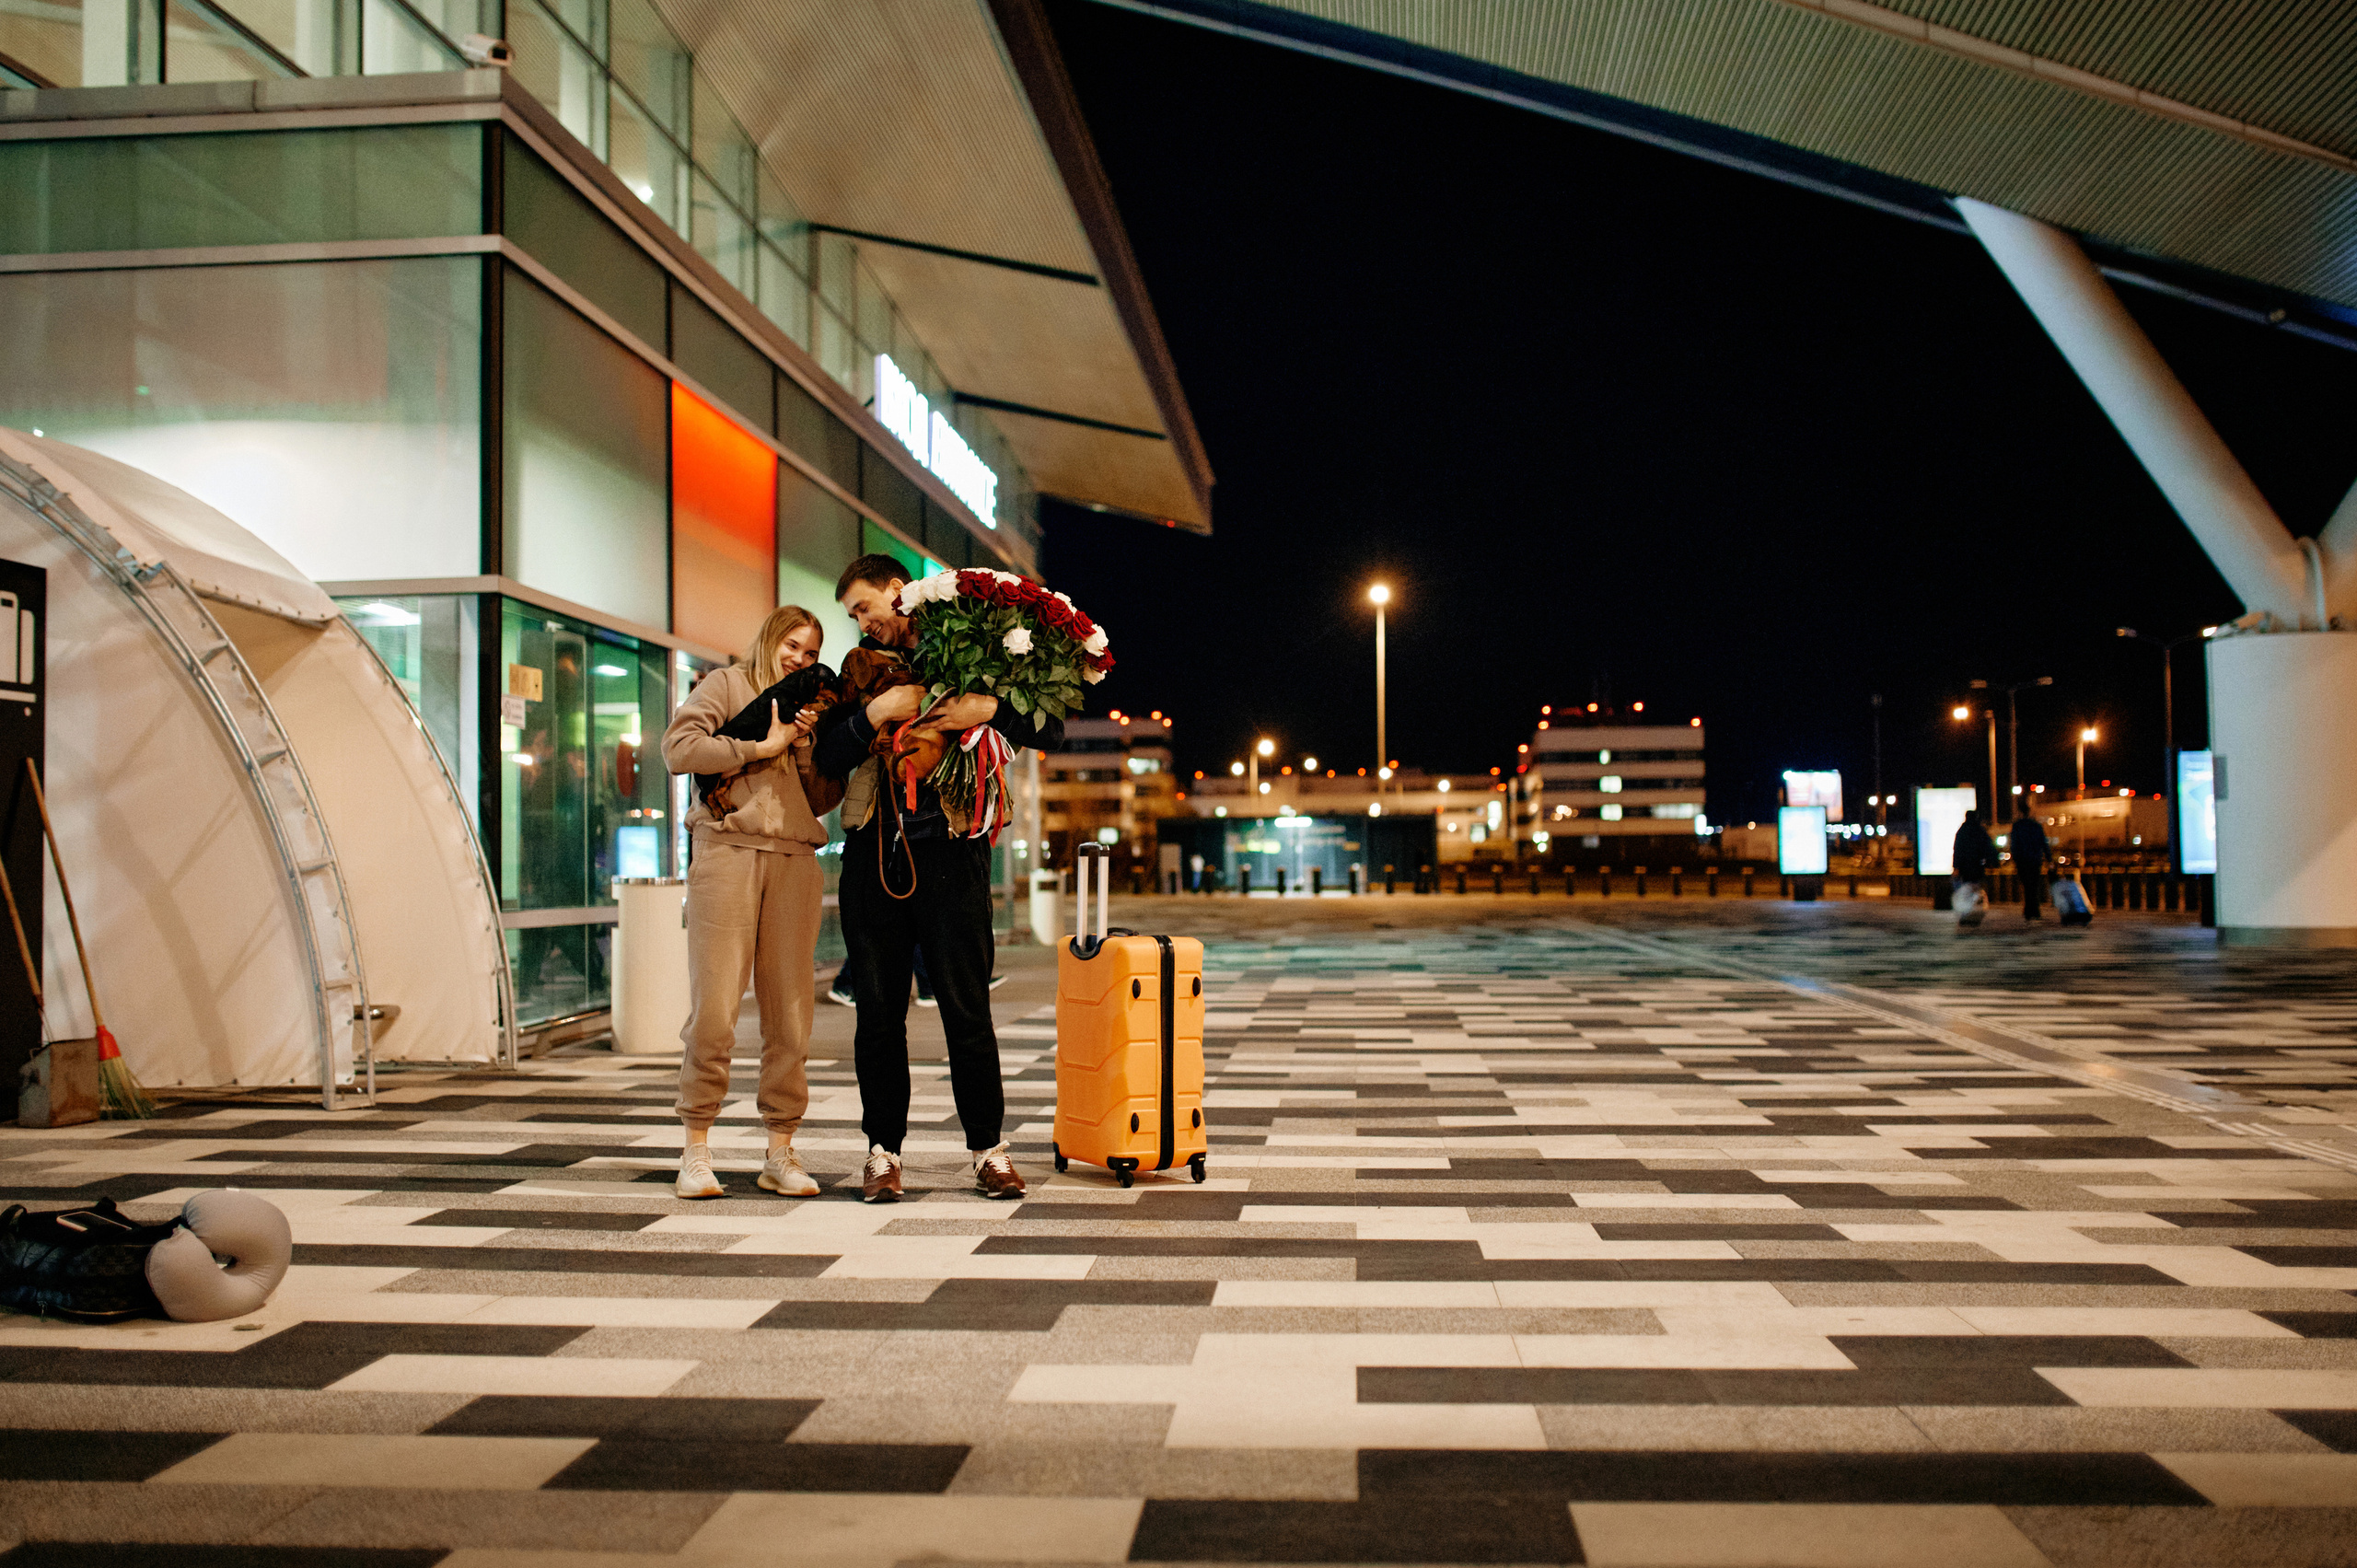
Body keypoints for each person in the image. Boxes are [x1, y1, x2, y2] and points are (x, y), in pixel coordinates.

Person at [815, 553, 1063, 1202]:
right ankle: (882, 1153)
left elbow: (1051, 727)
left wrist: (984, 708)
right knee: (877, 1013)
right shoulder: (860, 672)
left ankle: (989, 1149)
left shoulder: (974, 649)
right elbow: (826, 756)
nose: (862, 624)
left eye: (865, 608)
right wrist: (876, 712)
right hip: (874, 853)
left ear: (899, 592)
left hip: (954, 854)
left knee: (967, 1008)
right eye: (854, 617)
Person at [660, 606, 839, 1200]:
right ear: (769, 638)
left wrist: (810, 746)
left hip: (794, 860)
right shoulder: (727, 684)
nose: (801, 660)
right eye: (793, 646)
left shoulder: (810, 707)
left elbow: (816, 799)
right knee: (713, 1012)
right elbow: (680, 750)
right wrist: (761, 744)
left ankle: (781, 1150)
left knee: (790, 1018)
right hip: (727, 853)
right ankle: (696, 1149)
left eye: (811, 653)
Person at [2011, 804, 2050, 921]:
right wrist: (2048, 857)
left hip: (2022, 860)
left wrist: (2015, 859)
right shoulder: (2036, 826)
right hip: (2035, 859)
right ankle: (2034, 910)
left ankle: (2029, 910)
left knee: (2026, 885)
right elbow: (2043, 842)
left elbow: (2014, 844)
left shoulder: (2017, 826)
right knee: (2034, 885)